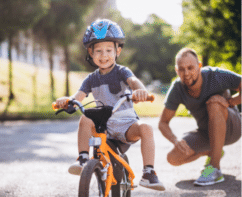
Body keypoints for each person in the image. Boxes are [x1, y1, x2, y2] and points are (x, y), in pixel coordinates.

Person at [54, 19, 165, 191]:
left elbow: (134, 82)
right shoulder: (91, 79)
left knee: (146, 128)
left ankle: (149, 173)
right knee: (85, 119)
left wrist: (140, 91)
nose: (103, 55)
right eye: (98, 50)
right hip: (103, 127)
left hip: (126, 124)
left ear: (117, 51)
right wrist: (68, 101)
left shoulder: (122, 72)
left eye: (108, 50)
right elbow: (78, 97)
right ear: (90, 53)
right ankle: (83, 158)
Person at [158, 48, 241, 186]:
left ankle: (214, 169)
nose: (186, 73)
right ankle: (215, 152)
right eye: (182, 69)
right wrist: (176, 140)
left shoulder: (215, 76)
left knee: (214, 102)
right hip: (206, 133)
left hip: (233, 128)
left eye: (190, 68)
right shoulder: (177, 88)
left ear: (200, 66)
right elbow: (163, 122)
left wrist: (229, 102)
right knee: (173, 157)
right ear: (176, 70)